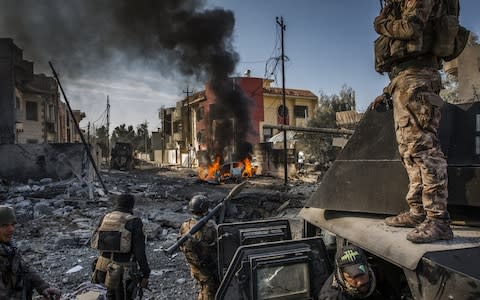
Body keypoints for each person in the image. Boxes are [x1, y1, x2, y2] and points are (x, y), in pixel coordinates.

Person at [372, 0, 454, 243]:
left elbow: (410, 29)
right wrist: (390, 89)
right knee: (409, 151)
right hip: (406, 78)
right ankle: (418, 212)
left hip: (418, 77)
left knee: (424, 148)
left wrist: (382, 24)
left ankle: (438, 220)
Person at [91, 194, 150, 300]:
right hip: (123, 271)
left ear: (117, 203)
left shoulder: (105, 218)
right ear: (131, 205)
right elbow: (139, 251)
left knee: (105, 296)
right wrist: (146, 273)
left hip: (101, 267)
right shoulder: (134, 221)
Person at [0, 205, 62, 300]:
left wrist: (43, 287)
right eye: (4, 225)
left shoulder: (10, 248)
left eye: (13, 224)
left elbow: (25, 269)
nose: (11, 229)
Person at [179, 195, 219, 300]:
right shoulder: (210, 227)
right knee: (210, 292)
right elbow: (218, 246)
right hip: (208, 269)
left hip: (194, 266)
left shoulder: (185, 224)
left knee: (203, 288)